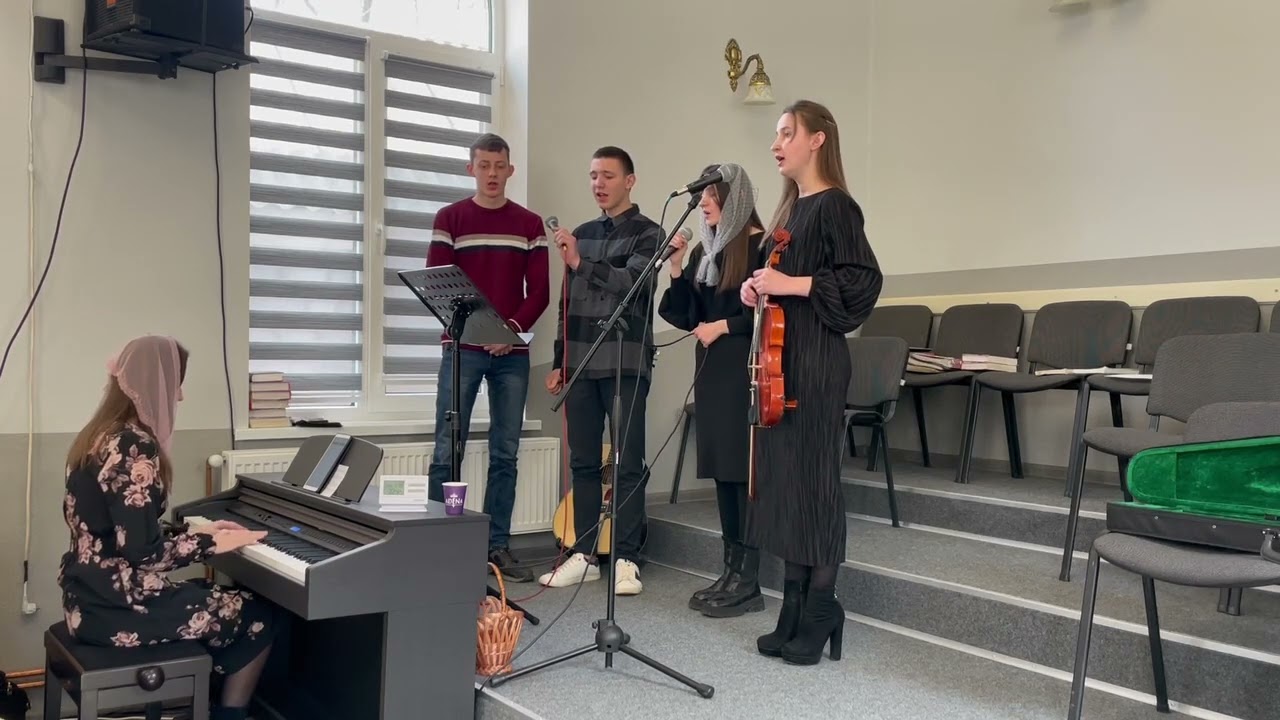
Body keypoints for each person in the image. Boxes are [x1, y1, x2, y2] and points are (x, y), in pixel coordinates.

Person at [59, 336, 276, 720]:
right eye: (176, 383)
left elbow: (117, 532)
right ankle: (227, 715)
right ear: (152, 385)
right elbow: (144, 554)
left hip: (87, 597)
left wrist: (204, 533)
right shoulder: (134, 446)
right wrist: (212, 543)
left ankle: (201, 702)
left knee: (212, 593)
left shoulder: (98, 436)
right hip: (118, 609)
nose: (179, 396)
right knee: (260, 615)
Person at [740, 100, 883, 665]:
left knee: (816, 486)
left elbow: (861, 285)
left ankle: (823, 606)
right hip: (782, 362)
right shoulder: (791, 210)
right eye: (776, 135)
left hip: (818, 362)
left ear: (817, 139)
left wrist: (791, 284)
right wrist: (757, 288)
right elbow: (783, 282)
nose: (776, 144)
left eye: (786, 133)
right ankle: (793, 606)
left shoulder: (836, 206)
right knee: (788, 486)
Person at [537, 146, 662, 596]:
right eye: (593, 176)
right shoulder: (582, 234)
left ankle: (626, 557)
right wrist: (559, 361)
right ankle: (584, 554)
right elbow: (566, 304)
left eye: (607, 175)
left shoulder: (650, 233)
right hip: (581, 363)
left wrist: (579, 263)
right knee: (583, 461)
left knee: (627, 462)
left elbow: (633, 284)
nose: (598, 184)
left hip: (626, 362)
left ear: (630, 181)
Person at [426, 133, 549, 583]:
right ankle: (439, 542)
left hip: (511, 354)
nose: (492, 174)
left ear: (510, 170)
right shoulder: (450, 218)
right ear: (471, 169)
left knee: (505, 452)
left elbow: (540, 291)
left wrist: (508, 331)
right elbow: (437, 283)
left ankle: (497, 545)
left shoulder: (530, 224)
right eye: (484, 166)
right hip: (461, 350)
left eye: (500, 166)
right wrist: (482, 332)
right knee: (447, 448)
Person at [658, 162, 767, 618]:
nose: (702, 203)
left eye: (710, 195)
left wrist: (722, 325)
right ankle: (730, 570)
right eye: (701, 196)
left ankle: (749, 579)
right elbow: (687, 315)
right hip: (712, 372)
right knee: (724, 473)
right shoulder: (708, 250)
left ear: (733, 197)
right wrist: (676, 266)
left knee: (742, 474)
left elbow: (768, 314)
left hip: (744, 371)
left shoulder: (761, 245)